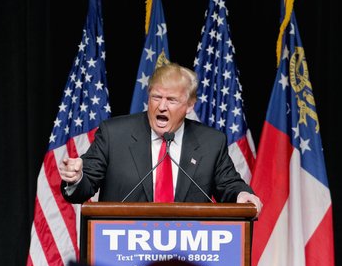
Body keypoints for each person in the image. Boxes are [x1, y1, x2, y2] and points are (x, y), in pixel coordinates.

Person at [59, 61, 262, 215]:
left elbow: (229, 185)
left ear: (190, 105)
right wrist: (76, 179)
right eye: (156, 97)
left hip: (186, 257)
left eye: (171, 100)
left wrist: (242, 195)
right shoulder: (114, 134)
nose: (161, 106)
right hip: (123, 254)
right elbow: (83, 188)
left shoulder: (211, 142)